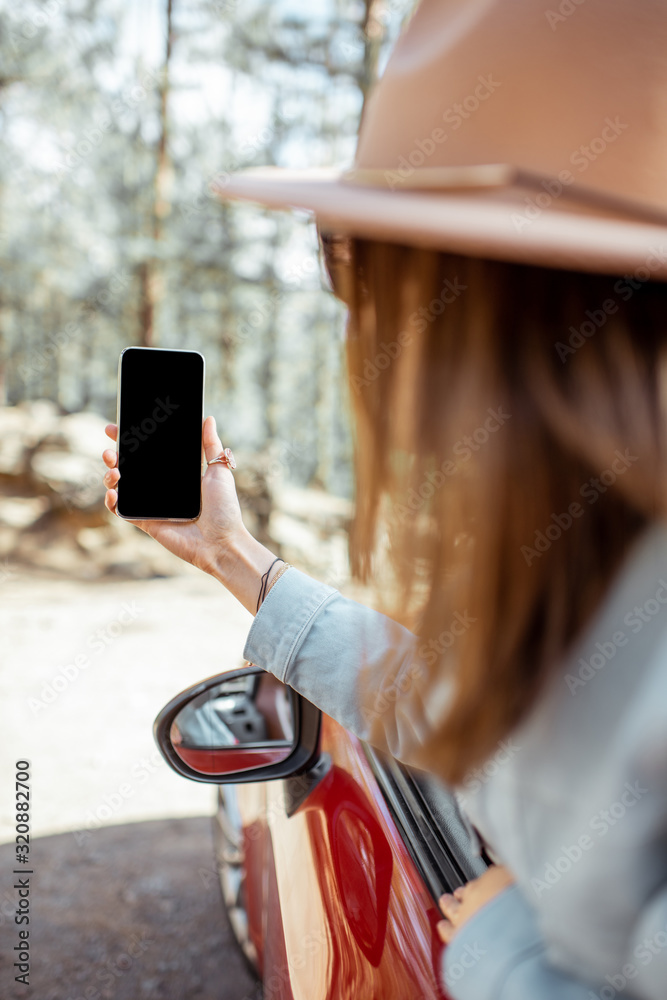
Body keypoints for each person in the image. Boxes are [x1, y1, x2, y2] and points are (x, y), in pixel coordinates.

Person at [102, 1, 667, 997]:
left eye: (372, 275)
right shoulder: (604, 574)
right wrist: (232, 552)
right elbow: (472, 705)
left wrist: (507, 951)